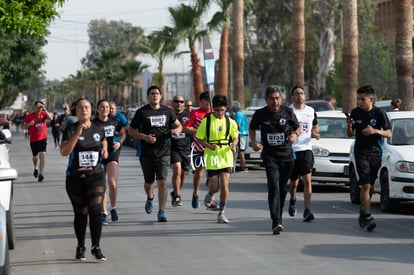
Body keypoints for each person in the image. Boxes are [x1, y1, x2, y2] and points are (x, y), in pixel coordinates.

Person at [60, 97, 108, 261]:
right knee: (81, 214)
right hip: (75, 178)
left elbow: (103, 141)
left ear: (91, 110)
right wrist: (77, 134)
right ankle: (81, 246)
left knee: (95, 210)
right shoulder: (70, 129)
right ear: (76, 111)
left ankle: (96, 246)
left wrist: (105, 150)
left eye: (86, 107)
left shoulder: (98, 127)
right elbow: (64, 151)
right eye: (80, 108)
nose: (83, 110)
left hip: (96, 176)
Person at [249, 86, 300, 235]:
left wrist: (295, 136)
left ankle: (279, 217)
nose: (275, 101)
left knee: (283, 188)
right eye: (272, 98)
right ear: (266, 100)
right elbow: (252, 128)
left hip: (287, 157)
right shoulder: (260, 114)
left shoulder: (288, 112)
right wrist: (253, 142)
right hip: (270, 156)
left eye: (277, 98)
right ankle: (275, 221)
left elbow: (298, 127)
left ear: (281, 99)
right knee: (274, 186)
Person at [129, 86, 182, 222]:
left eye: (157, 93)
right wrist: (144, 137)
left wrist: (177, 130)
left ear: (161, 96)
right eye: (152, 93)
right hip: (146, 153)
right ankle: (150, 197)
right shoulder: (142, 112)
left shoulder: (167, 111)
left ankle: (162, 211)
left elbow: (179, 125)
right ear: (148, 96)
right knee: (149, 182)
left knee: (162, 182)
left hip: (163, 152)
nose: (155, 95)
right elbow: (131, 130)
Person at [346, 85, 391, 232]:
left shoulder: (379, 113)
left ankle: (363, 209)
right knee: (364, 185)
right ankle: (368, 215)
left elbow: (389, 133)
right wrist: (349, 126)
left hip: (376, 153)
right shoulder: (355, 112)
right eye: (359, 99)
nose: (360, 102)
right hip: (361, 153)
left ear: (371, 99)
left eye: (363, 99)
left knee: (370, 186)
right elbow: (349, 134)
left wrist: (375, 131)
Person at [196, 95, 239, 223]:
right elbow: (199, 138)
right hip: (211, 155)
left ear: (226, 108)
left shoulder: (230, 122)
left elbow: (235, 136)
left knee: (225, 183)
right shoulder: (207, 121)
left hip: (226, 154)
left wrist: (234, 145)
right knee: (215, 186)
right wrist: (208, 145)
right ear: (213, 109)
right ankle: (210, 194)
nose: (220, 113)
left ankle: (222, 212)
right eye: (217, 110)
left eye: (222, 110)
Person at [288, 86, 320, 222]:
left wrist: (316, 133)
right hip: (293, 150)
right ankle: (292, 200)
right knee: (294, 183)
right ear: (292, 97)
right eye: (296, 94)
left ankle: (307, 210)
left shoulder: (311, 111)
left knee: (307, 180)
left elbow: (315, 125)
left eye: (301, 93)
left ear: (304, 96)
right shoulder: (289, 111)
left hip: (306, 149)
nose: (299, 96)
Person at [93, 99, 126, 225]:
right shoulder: (93, 123)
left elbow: (123, 134)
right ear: (97, 109)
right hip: (99, 156)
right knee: (101, 185)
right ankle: (103, 212)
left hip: (112, 154)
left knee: (112, 182)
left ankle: (113, 207)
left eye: (107, 107)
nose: (105, 109)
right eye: (102, 107)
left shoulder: (114, 122)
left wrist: (119, 142)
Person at [183, 92, 214, 209]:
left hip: (212, 149)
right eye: (205, 100)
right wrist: (197, 132)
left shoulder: (215, 114)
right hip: (198, 148)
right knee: (199, 172)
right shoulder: (195, 113)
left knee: (213, 175)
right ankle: (196, 193)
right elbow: (186, 128)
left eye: (209, 100)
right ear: (200, 101)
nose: (208, 103)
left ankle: (211, 199)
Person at [23, 100, 53, 182]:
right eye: (37, 107)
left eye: (40, 107)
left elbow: (51, 118)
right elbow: (24, 126)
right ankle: (36, 167)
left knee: (42, 154)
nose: (39, 109)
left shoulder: (43, 114)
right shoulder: (29, 116)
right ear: (34, 107)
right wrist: (30, 124)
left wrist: (45, 109)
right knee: (35, 157)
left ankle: (41, 173)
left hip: (43, 138)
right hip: (33, 139)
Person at [170, 95, 191, 207]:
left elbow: (194, 128)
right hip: (173, 148)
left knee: (183, 174)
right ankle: (177, 196)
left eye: (181, 101)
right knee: (177, 171)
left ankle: (175, 192)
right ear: (173, 103)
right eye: (176, 101)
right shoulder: (169, 114)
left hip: (185, 148)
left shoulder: (188, 115)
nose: (179, 103)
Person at [231, 101, 249, 172]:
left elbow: (237, 125)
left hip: (240, 134)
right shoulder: (242, 113)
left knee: (241, 150)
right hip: (244, 133)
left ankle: (243, 166)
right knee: (241, 150)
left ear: (234, 108)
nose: (232, 109)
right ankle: (242, 165)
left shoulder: (238, 114)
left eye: (232, 108)